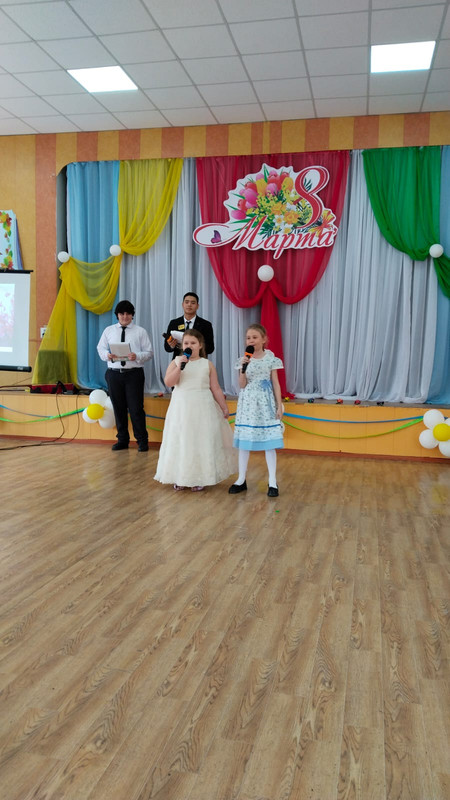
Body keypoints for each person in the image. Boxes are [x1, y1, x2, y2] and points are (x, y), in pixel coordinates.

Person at [154, 329, 234, 491]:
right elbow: (169, 382)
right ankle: (180, 476)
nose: (189, 345)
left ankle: (200, 476)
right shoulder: (177, 361)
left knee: (200, 440)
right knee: (181, 440)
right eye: (186, 343)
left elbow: (215, 388)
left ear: (200, 345)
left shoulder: (207, 364)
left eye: (193, 343)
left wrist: (223, 406)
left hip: (202, 406)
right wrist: (180, 367)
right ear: (182, 345)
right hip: (182, 407)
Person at [229, 324, 284, 497]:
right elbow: (242, 384)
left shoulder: (271, 359)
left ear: (264, 339)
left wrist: (279, 405)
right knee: (244, 442)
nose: (251, 340)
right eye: (248, 338)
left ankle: (272, 481)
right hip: (248, 404)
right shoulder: (243, 360)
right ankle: (241, 479)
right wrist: (243, 369)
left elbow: (276, 383)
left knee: (270, 441)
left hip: (265, 403)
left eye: (255, 337)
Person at [97, 300, 153, 451]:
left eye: (128, 313)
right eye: (122, 313)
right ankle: (122, 440)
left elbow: (149, 353)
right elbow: (100, 348)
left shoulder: (140, 331)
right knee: (118, 408)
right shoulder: (109, 331)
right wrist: (107, 355)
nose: (125, 316)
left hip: (133, 374)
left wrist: (137, 356)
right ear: (117, 315)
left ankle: (142, 441)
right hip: (114, 374)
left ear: (132, 315)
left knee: (136, 408)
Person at [164, 292, 214, 358]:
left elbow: (210, 349)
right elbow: (167, 348)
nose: (189, 305)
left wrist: (195, 345)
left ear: (197, 306)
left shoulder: (206, 325)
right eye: (187, 302)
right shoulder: (174, 323)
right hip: (178, 361)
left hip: (198, 361)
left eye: (193, 303)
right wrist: (172, 345)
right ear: (182, 305)